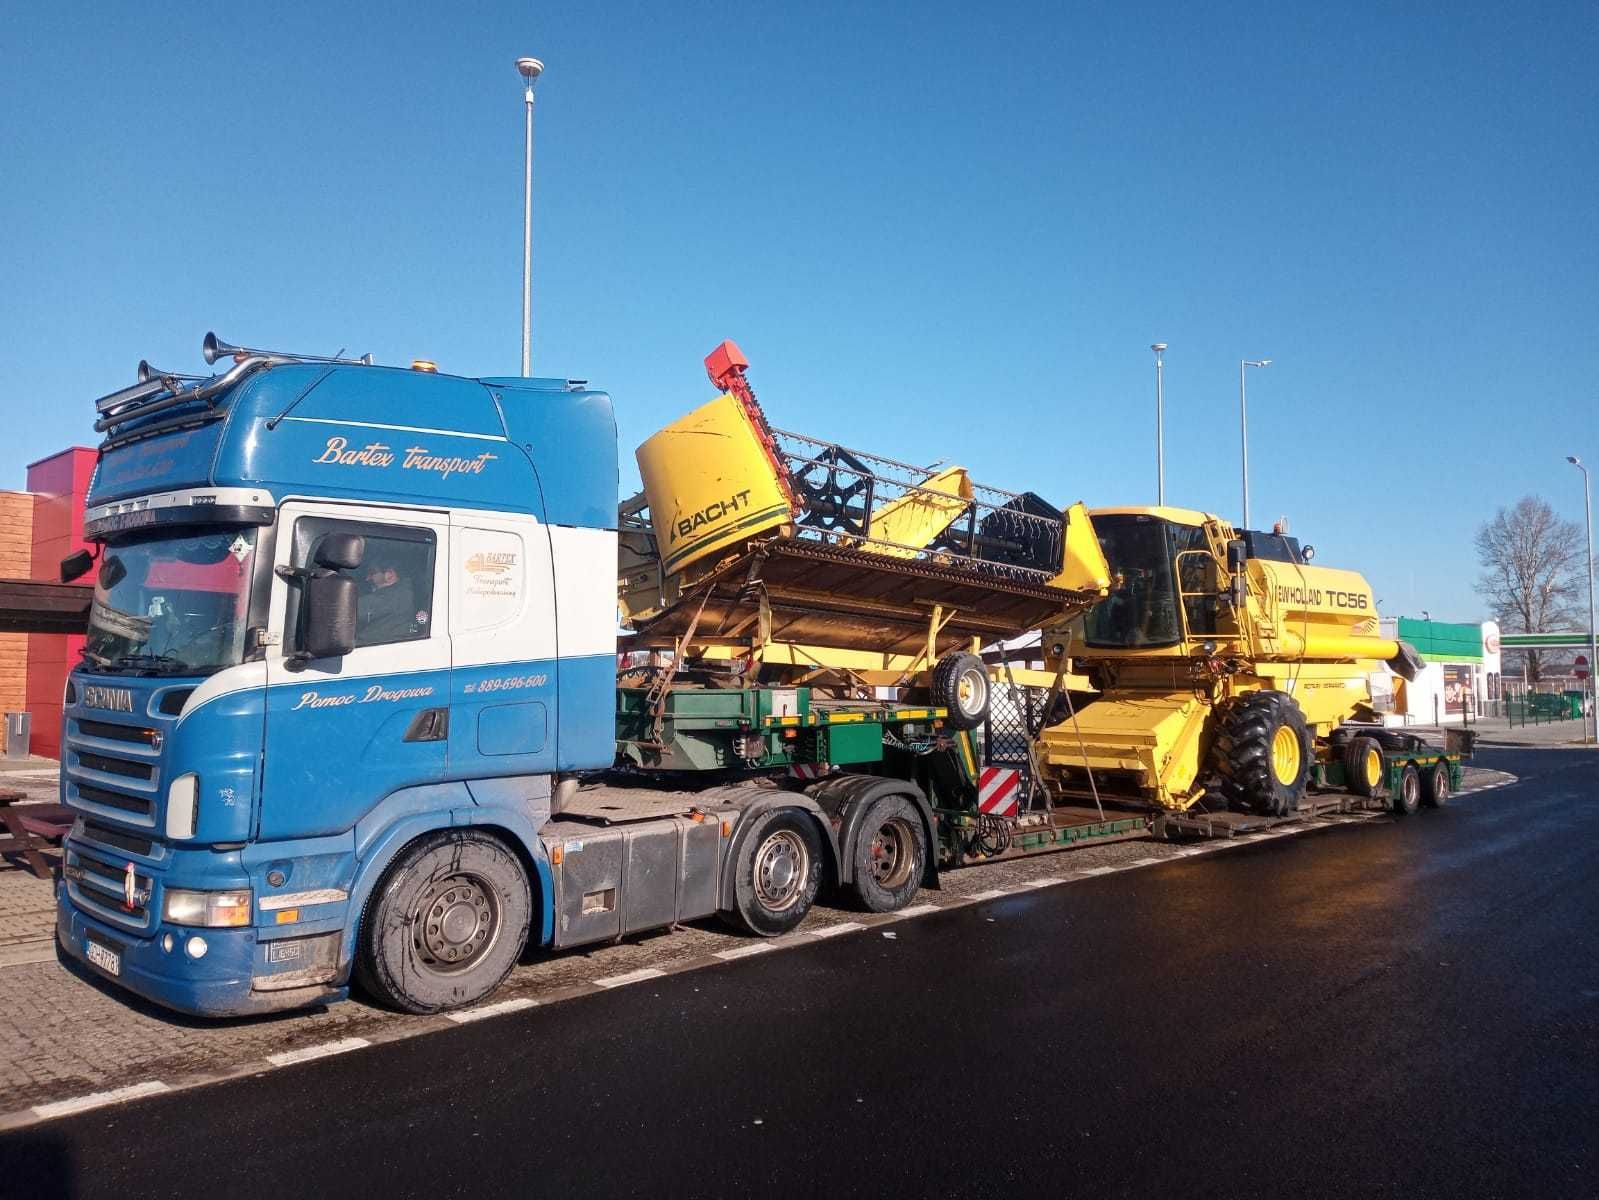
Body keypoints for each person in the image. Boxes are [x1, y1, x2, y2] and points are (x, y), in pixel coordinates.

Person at [358, 554, 417, 644]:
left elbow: (351, 611)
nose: (367, 578)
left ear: (390, 575)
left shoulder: (393, 598)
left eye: (372, 573)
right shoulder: (405, 592)